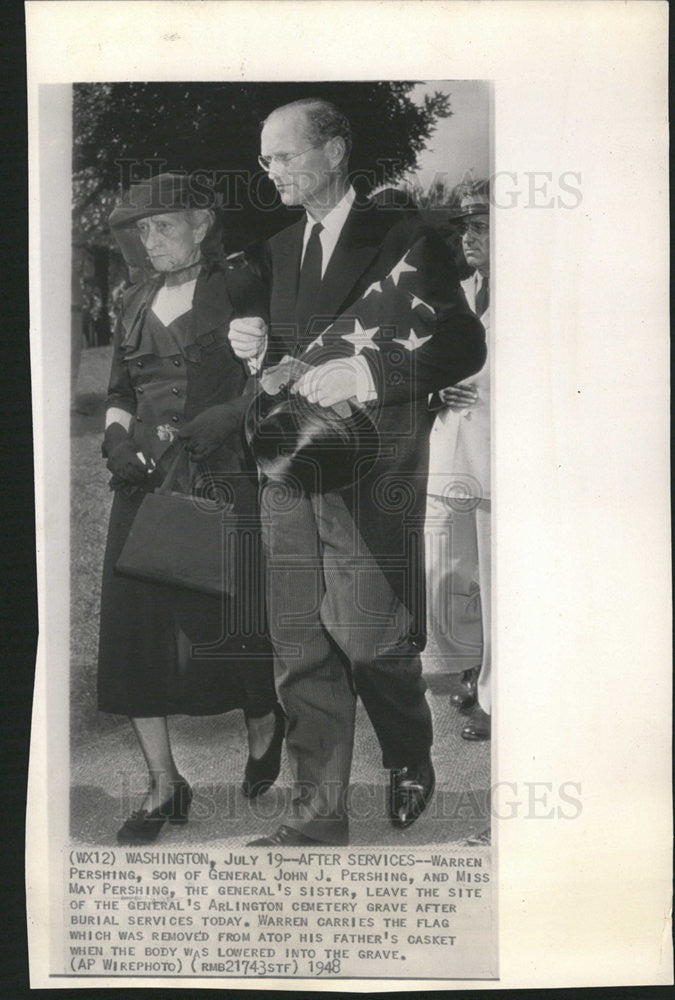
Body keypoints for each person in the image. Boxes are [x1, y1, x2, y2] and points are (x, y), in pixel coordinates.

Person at [228, 99, 486, 846]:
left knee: (371, 640)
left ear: (333, 152)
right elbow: (285, 363)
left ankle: (408, 752)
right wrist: (253, 346)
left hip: (370, 468)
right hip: (290, 469)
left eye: (281, 154)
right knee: (300, 642)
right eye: (264, 158)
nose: (267, 169)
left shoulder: (404, 238)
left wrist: (367, 370)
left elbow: (460, 346)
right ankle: (316, 818)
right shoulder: (274, 248)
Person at [97, 173, 284, 845]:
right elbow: (119, 388)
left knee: (233, 619)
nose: (150, 240)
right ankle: (162, 784)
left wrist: (234, 413)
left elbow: (278, 368)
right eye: (141, 230)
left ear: (202, 223)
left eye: (163, 225)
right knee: (132, 630)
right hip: (143, 481)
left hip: (220, 472)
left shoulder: (239, 281)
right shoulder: (132, 299)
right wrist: (116, 438)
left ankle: (263, 724)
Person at [426, 180, 491, 742]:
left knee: (500, 577)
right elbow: (424, 360)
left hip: (504, 455)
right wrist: (434, 391)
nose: (469, 237)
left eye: (483, 226)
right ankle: (472, 670)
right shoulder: (455, 294)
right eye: (466, 227)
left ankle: (496, 694)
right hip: (451, 453)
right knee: (449, 570)